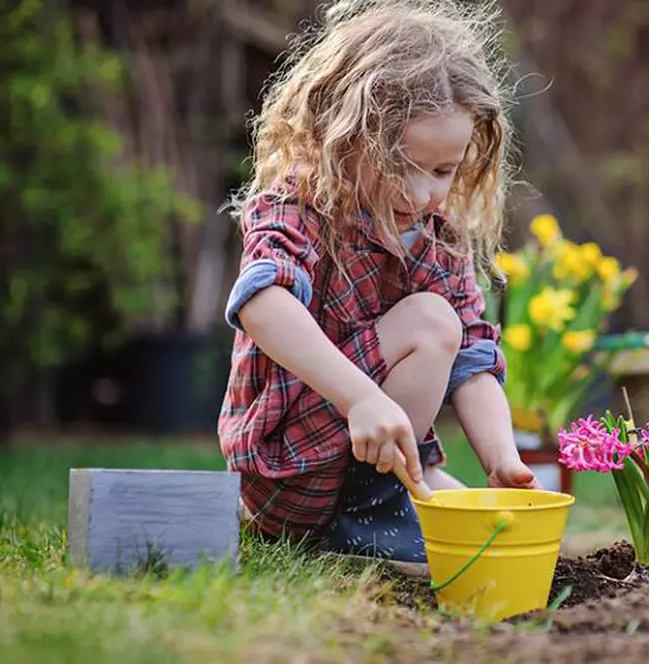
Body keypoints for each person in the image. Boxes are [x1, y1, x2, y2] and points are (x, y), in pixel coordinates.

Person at [217, 0, 540, 569]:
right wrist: (361, 397)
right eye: (401, 165)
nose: (421, 195)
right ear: (343, 139)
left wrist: (501, 458)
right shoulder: (299, 206)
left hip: (372, 456)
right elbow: (261, 303)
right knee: (430, 321)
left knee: (495, 537)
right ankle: (366, 515)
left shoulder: (437, 234)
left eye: (443, 172)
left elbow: (473, 356)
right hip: (289, 469)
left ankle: (385, 498)